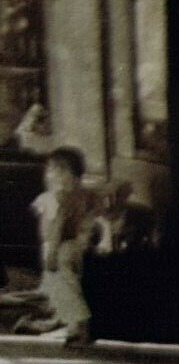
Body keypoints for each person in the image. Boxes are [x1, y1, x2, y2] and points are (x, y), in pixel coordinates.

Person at [29, 146, 96, 347]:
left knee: (62, 285)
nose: (52, 175)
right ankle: (63, 320)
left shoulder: (56, 197)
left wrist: (51, 253)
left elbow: (57, 224)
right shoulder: (81, 194)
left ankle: (78, 327)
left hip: (59, 248)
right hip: (75, 246)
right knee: (62, 285)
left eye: (58, 171)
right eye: (51, 170)